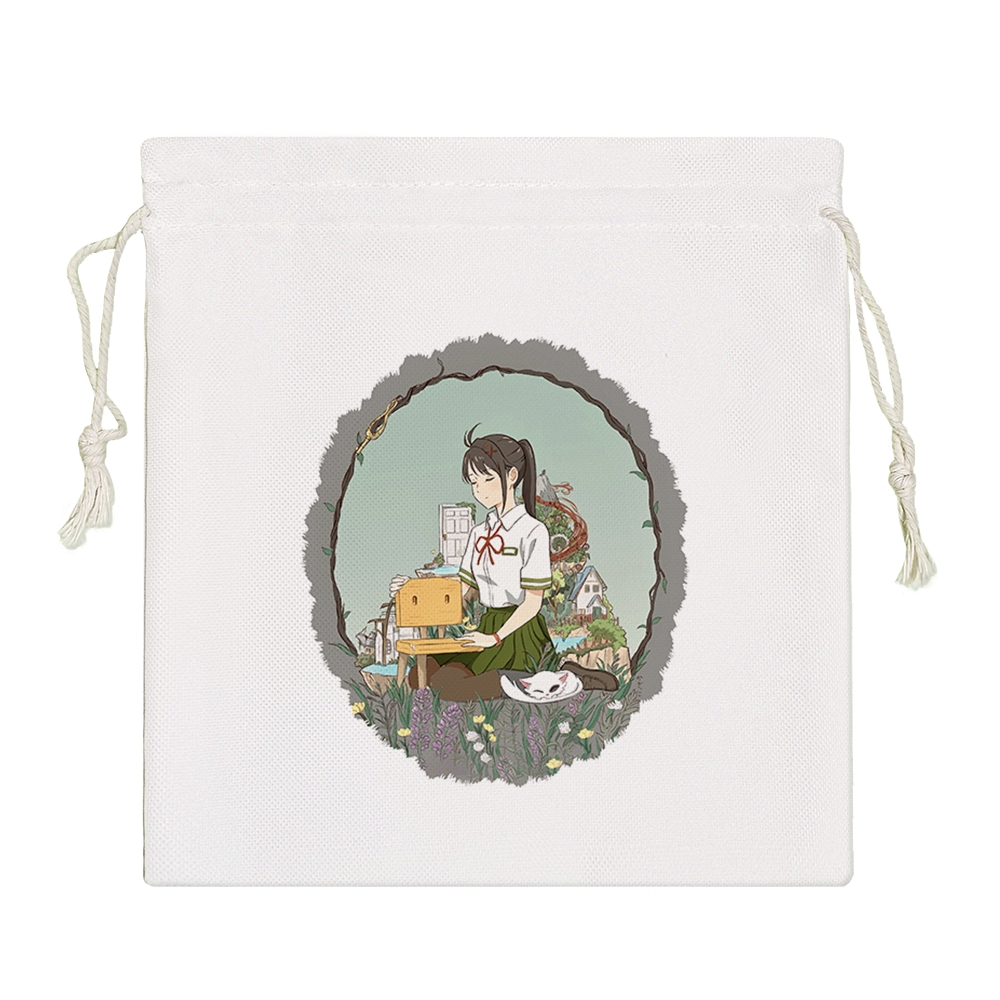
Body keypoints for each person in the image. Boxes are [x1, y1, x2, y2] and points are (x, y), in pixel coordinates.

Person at [391, 427, 617, 701]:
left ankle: (560, 678)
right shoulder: (479, 533)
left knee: (450, 687)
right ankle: (551, 674)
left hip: (520, 631)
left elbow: (532, 603)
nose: (479, 489)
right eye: (473, 481)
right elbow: (460, 589)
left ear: (511, 476)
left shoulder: (532, 531)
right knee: (422, 674)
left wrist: (495, 638)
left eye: (487, 478)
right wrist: (413, 589)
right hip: (487, 624)